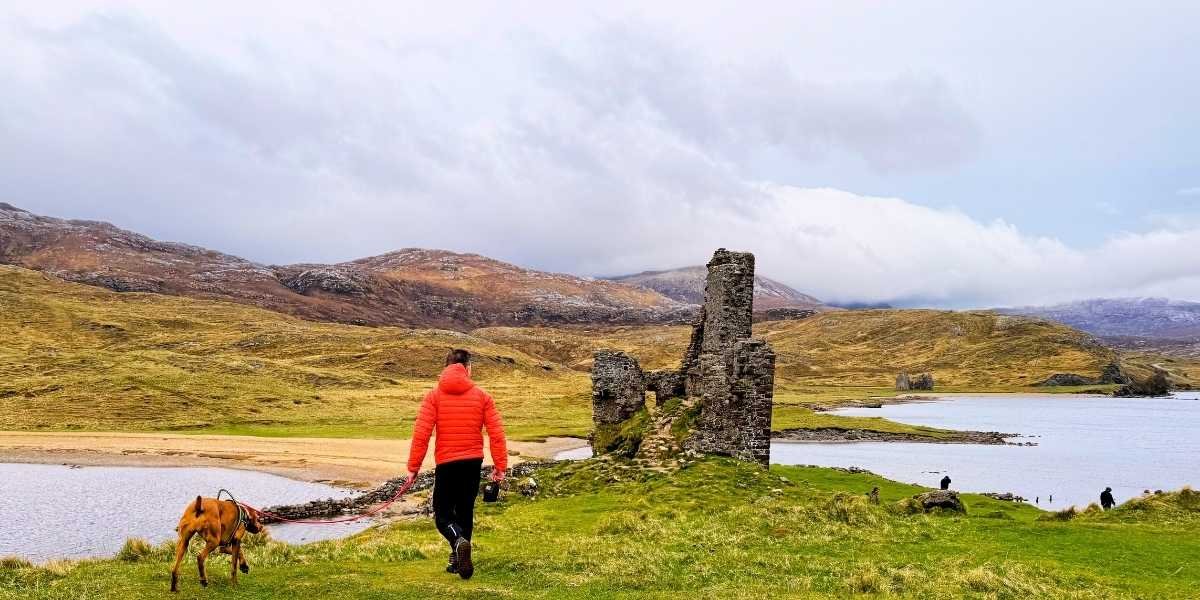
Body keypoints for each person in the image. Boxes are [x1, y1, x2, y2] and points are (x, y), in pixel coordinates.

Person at [407, 349, 508, 580]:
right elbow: (497, 434)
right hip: (473, 463)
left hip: (447, 463)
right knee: (465, 511)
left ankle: (457, 542)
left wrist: (414, 468)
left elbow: (421, 434)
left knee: (442, 515)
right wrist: (500, 466)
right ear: (468, 368)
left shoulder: (433, 396)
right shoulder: (482, 396)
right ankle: (458, 561)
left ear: (446, 368)